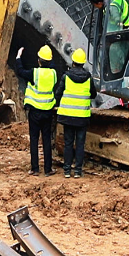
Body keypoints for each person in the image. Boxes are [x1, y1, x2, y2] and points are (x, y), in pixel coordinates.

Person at [54, 48, 96, 178]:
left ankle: (67, 170)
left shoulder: (66, 76)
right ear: (83, 63)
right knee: (80, 144)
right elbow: (93, 94)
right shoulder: (88, 78)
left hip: (67, 116)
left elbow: (58, 93)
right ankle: (78, 171)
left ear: (73, 62)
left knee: (68, 143)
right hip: (82, 117)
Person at [15, 45, 57, 176]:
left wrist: (18, 57)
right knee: (46, 140)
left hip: (35, 112)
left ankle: (35, 168)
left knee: (34, 139)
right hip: (48, 111)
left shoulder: (35, 73)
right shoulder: (53, 74)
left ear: (39, 60)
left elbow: (21, 71)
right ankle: (48, 169)